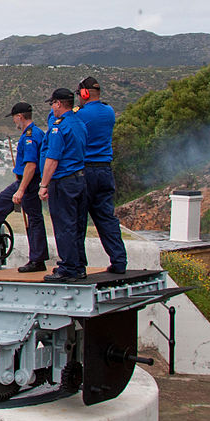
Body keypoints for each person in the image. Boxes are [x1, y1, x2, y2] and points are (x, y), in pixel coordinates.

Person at [0, 102, 49, 272]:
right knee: (34, 219)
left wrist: (21, 189)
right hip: (28, 181)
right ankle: (38, 259)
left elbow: (31, 165)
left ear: (20, 117)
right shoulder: (36, 133)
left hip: (28, 182)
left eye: (14, 119)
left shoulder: (30, 136)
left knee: (4, 203)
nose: (14, 123)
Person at [73, 77, 128, 274]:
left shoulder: (80, 115)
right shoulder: (109, 111)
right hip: (105, 169)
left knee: (78, 219)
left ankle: (78, 265)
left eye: (79, 94)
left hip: (85, 170)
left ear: (84, 93)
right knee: (106, 219)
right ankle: (119, 261)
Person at [38, 88, 89, 283]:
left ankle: (68, 268)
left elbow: (52, 158)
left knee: (64, 225)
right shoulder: (79, 123)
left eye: (52, 104)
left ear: (58, 104)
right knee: (77, 225)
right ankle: (78, 265)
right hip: (79, 179)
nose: (52, 107)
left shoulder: (59, 127)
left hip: (63, 181)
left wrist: (44, 184)